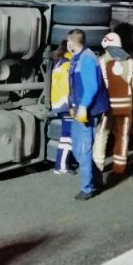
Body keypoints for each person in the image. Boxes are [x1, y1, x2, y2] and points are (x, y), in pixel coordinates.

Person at [67, 29, 110, 200]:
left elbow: (91, 86)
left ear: (72, 42)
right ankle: (96, 180)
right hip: (80, 109)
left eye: (68, 41)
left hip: (89, 111)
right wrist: (73, 105)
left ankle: (87, 188)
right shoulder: (79, 58)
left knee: (83, 149)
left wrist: (83, 106)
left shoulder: (86, 59)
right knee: (79, 148)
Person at [93, 32, 133, 175]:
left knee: (102, 134)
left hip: (107, 105)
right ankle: (120, 167)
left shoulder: (101, 60)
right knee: (123, 135)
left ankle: (98, 165)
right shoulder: (130, 61)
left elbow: (97, 84)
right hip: (125, 106)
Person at [50, 40, 76, 174]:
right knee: (68, 136)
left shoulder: (59, 63)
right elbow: (68, 87)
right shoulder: (68, 65)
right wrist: (72, 104)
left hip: (58, 103)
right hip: (66, 105)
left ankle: (61, 164)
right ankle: (62, 166)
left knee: (65, 135)